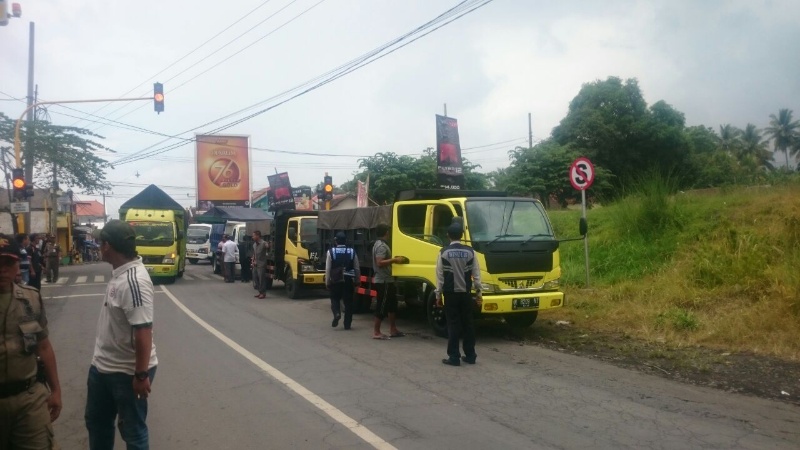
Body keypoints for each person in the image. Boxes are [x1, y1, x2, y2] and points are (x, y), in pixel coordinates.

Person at [86, 220, 158, 450]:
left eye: (100, 242)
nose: (98, 246)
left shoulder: (133, 281)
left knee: (132, 431)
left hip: (126, 373)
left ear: (108, 246)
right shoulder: (119, 273)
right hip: (102, 367)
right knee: (97, 423)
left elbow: (143, 330)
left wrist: (140, 375)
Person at [0, 233, 62, 449]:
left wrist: (55, 391)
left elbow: (44, 346)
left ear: (17, 265)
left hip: (29, 399)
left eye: (7, 262)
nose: (2, 268)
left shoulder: (31, 299)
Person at [435, 222, 482, 366]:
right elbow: (477, 275)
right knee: (468, 324)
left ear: (448, 235)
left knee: (453, 325)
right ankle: (470, 355)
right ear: (462, 235)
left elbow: (439, 277)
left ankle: (454, 357)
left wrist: (438, 296)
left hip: (450, 295)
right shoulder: (470, 252)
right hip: (466, 294)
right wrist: (479, 294)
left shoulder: (443, 252)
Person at [372, 223, 408, 340]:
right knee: (382, 306)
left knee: (393, 305)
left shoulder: (380, 244)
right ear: (386, 232)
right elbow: (379, 262)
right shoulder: (381, 246)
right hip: (383, 281)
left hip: (388, 280)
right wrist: (395, 260)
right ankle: (376, 332)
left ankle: (393, 329)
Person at [326, 231, 360, 330]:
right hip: (348, 280)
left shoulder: (331, 252)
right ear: (346, 241)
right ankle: (347, 324)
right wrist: (357, 280)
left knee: (334, 298)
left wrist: (327, 282)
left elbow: (328, 269)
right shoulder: (352, 251)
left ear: (336, 241)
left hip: (336, 280)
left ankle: (337, 313)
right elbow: (357, 268)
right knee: (349, 303)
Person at [251, 231, 269, 299]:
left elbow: (268, 247)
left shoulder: (263, 243)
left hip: (261, 264)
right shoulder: (254, 245)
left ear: (258, 236)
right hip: (255, 263)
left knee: (261, 279)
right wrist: (253, 260)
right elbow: (254, 254)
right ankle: (260, 292)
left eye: (254, 236)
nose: (252, 237)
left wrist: (269, 245)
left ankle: (263, 293)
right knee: (255, 277)